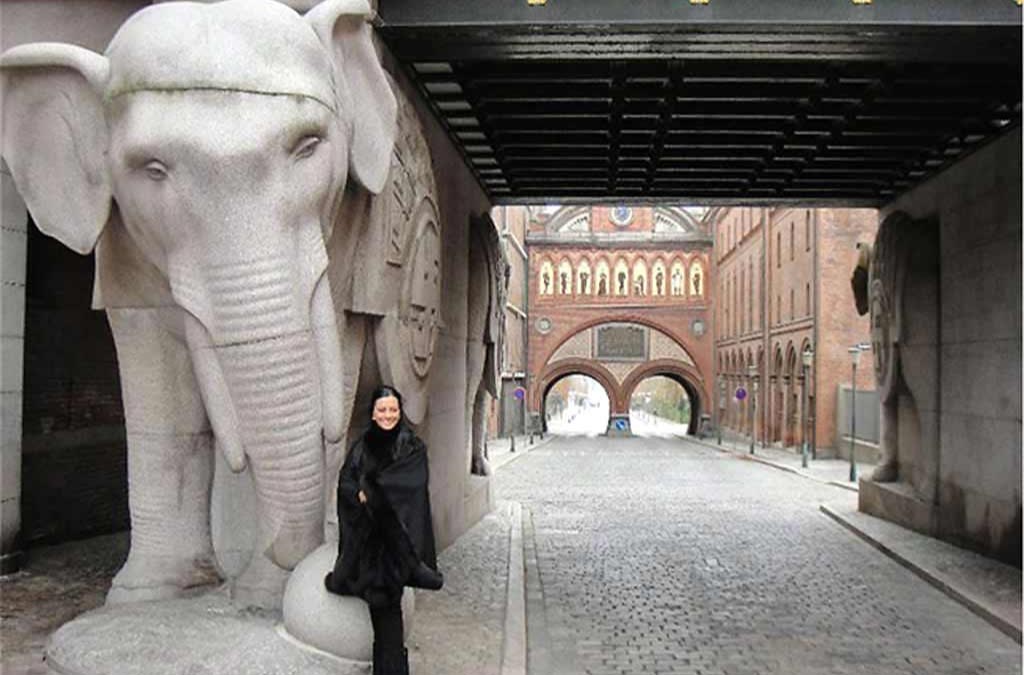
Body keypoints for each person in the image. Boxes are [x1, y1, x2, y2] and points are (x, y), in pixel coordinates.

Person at [325, 385, 443, 675]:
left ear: (399, 412)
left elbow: (409, 487)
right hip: (366, 546)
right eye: (382, 410)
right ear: (373, 413)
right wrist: (359, 495)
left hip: (394, 549)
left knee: (388, 619)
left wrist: (371, 492)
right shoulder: (361, 446)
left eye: (393, 409)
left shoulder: (411, 446)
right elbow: (346, 484)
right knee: (385, 624)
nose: (388, 415)